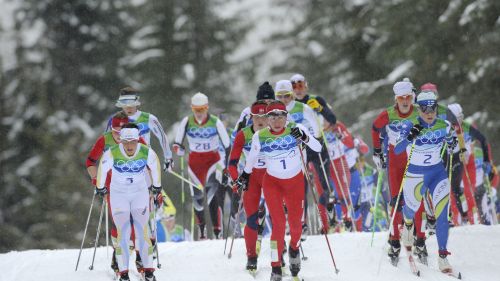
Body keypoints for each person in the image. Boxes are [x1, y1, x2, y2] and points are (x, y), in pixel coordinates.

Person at [236, 100, 321, 281]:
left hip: (295, 183)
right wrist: (244, 176)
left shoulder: (296, 129)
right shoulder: (260, 136)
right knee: (279, 225)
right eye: (272, 116)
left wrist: (305, 138)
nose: (276, 121)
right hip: (272, 183)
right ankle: (276, 267)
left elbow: (318, 147)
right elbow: (251, 159)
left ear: (286, 117)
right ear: (267, 119)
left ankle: (294, 249)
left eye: (280, 116)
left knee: (297, 226)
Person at [394, 91, 457, 273]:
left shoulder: (443, 125)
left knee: (442, 215)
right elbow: (398, 150)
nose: (429, 112)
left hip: (437, 174)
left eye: (432, 108)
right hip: (415, 174)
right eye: (424, 108)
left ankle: (443, 256)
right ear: (418, 109)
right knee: (411, 209)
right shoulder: (410, 125)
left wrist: (452, 144)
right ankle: (407, 224)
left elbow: (452, 142)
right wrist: (409, 136)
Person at [95, 123, 162, 281]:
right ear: (121, 141)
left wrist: (157, 187)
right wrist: (100, 187)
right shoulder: (112, 153)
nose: (129, 146)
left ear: (138, 140)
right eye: (126, 142)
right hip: (119, 195)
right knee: (123, 233)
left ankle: (149, 271)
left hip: (139, 193)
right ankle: (123, 274)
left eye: (133, 141)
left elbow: (156, 167)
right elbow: (102, 170)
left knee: (142, 232)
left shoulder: (146, 152)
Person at [86, 112, 148, 273]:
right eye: (115, 132)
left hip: (135, 187)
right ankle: (117, 254)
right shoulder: (104, 139)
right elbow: (90, 161)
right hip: (112, 187)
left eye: (122, 133)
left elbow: (148, 163)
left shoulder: (137, 141)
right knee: (119, 223)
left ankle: (140, 257)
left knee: (137, 222)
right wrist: (95, 179)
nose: (119, 136)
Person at [372, 80, 426, 262]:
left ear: (412, 97)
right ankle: (395, 240)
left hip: (414, 160)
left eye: (408, 97)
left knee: (416, 199)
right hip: (395, 161)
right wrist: (377, 152)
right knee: (395, 201)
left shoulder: (419, 113)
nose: (405, 101)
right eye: (401, 98)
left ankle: (420, 239)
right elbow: (374, 128)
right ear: (396, 99)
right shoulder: (388, 114)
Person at [173, 92, 230, 239]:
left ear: (207, 108)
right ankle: (202, 230)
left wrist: (227, 166)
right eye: (196, 110)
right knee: (197, 197)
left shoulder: (215, 121)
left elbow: (228, 145)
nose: (199, 113)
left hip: (213, 161)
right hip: (195, 163)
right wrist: (178, 150)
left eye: (202, 109)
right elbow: (177, 143)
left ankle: (217, 231)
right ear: (192, 108)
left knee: (212, 195)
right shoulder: (187, 121)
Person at [290, 73, 338, 234]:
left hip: (317, 144)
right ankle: (301, 222)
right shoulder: (288, 105)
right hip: (299, 148)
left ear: (306, 86)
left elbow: (332, 119)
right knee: (301, 185)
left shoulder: (316, 99)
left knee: (324, 180)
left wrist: (319, 108)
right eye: (294, 87)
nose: (298, 90)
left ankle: (331, 210)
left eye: (300, 85)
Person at [228, 100, 269, 273]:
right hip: (250, 178)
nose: (260, 120)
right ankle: (251, 256)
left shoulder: (275, 132)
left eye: (264, 116)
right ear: (251, 117)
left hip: (272, 177)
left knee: (278, 217)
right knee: (251, 218)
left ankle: (279, 256)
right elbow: (232, 163)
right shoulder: (243, 135)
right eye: (256, 116)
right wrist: (237, 179)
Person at [275, 79, 319, 238]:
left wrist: (310, 139)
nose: (283, 100)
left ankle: (302, 222)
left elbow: (316, 127)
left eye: (286, 96)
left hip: (300, 153)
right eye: (279, 96)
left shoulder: (303, 108)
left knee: (299, 187)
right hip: (278, 155)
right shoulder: (272, 111)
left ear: (292, 95)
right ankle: (286, 221)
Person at [107, 87, 174, 172]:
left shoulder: (149, 118)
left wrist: (168, 158)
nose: (128, 107)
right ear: (120, 104)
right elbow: (107, 142)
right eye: (125, 104)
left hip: (143, 161)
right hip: (122, 163)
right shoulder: (114, 119)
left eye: (132, 103)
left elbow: (162, 137)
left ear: (137, 103)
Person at [446, 103, 492, 224]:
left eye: (461, 117)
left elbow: (483, 140)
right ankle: (457, 219)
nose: (459, 121)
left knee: (469, 190)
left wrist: (487, 160)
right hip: (454, 161)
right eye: (456, 119)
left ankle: (473, 219)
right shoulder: (445, 128)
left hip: (469, 162)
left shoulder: (466, 127)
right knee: (453, 191)